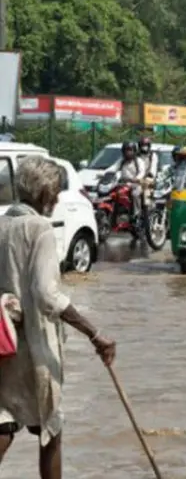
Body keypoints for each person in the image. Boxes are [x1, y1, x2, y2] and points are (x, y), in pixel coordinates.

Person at [0, 156, 116, 479]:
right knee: (51, 430)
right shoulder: (39, 229)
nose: (56, 199)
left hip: (3, 342)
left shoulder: (2, 224)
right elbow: (47, 294)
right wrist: (94, 333)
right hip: (34, 347)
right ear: (44, 194)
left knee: (5, 418)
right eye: (54, 192)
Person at [119, 141, 145, 232]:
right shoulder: (122, 161)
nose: (128, 152)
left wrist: (137, 179)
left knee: (135, 194)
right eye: (126, 150)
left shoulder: (138, 161)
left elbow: (142, 172)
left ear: (134, 151)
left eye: (130, 150)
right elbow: (113, 168)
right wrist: (104, 174)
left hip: (135, 185)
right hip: (123, 185)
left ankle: (136, 216)